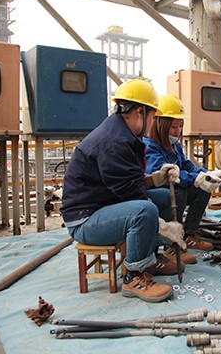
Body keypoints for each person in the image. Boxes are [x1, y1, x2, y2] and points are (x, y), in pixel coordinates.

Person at [61, 79, 187, 303]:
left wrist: (155, 179)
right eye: (153, 117)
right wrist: (164, 226)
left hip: (104, 204)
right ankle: (134, 276)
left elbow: (128, 181)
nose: (152, 123)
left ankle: (151, 259)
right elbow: (130, 193)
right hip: (86, 219)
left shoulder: (123, 134)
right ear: (140, 112)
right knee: (145, 210)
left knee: (164, 196)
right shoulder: (114, 140)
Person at [145, 94, 221, 256]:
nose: (178, 131)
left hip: (174, 188)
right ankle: (172, 244)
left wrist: (207, 175)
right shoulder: (149, 146)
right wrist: (195, 179)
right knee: (178, 192)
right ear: (160, 125)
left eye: (180, 126)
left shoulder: (175, 145)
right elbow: (167, 174)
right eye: (174, 127)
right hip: (158, 194)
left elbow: (186, 165)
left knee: (203, 189)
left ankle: (188, 235)